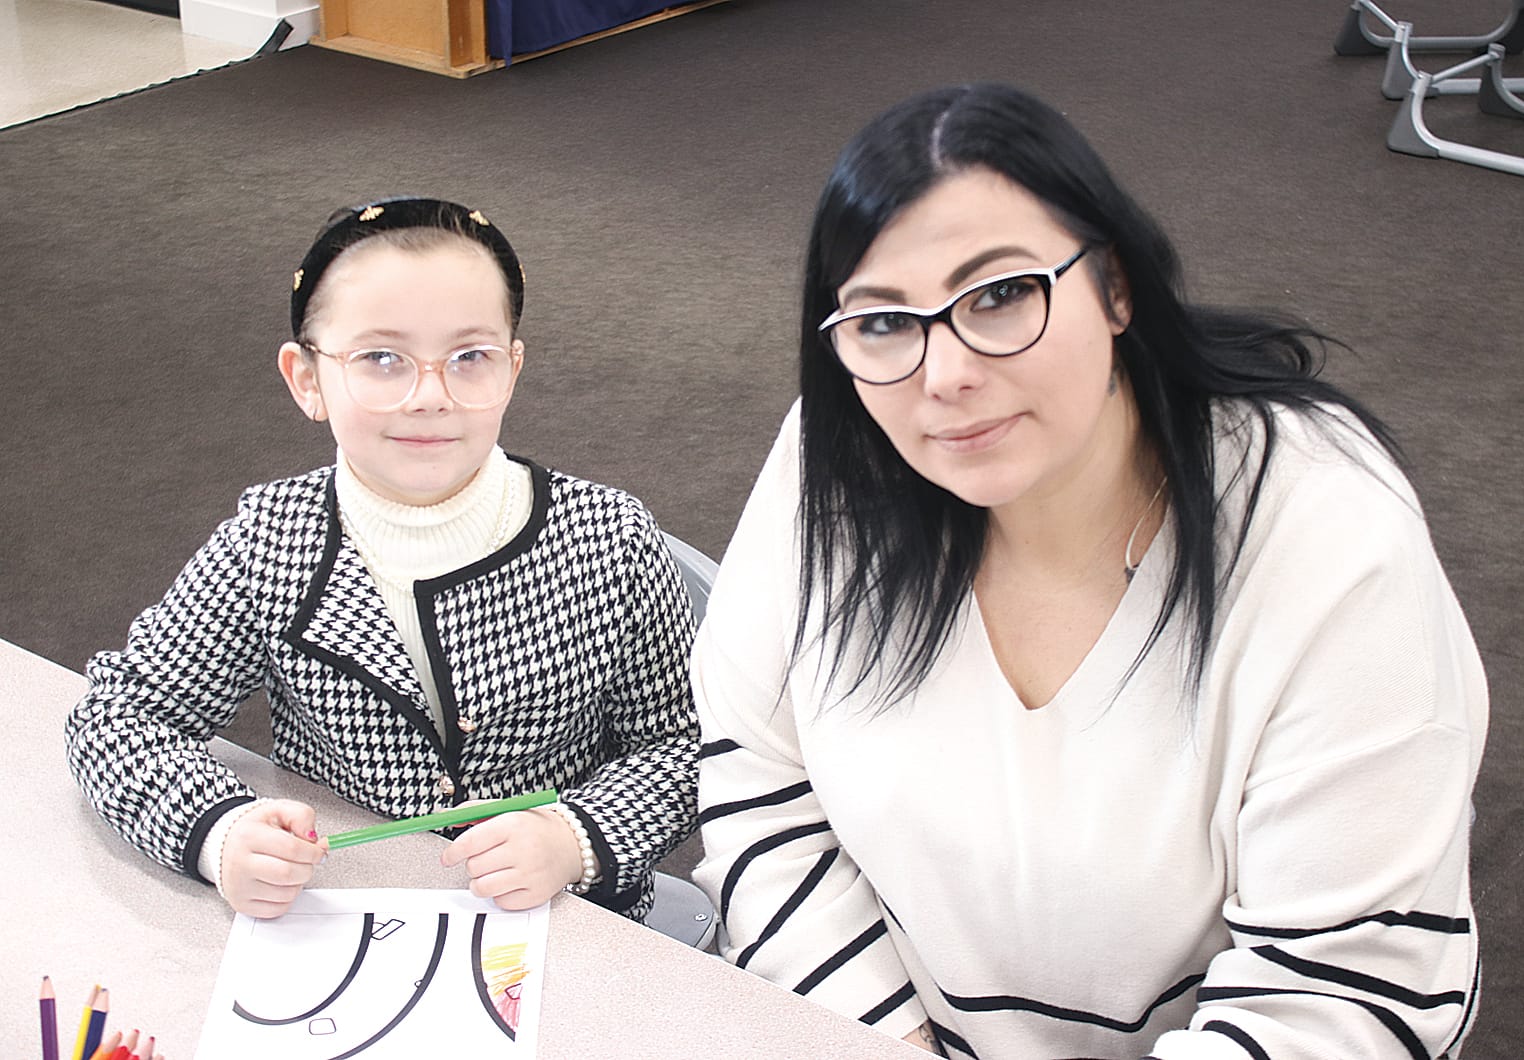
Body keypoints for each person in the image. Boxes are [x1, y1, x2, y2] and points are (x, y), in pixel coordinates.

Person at [691, 84, 1487, 1059]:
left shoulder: (1325, 530)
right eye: (884, 321)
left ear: (1115, 286)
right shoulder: (839, 450)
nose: (942, 374)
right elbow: (757, 777)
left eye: (998, 295)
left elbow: (1341, 990)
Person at [66, 197, 698, 922]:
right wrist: (219, 832)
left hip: (569, 919)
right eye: (380, 359)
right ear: (307, 379)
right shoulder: (270, 541)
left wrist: (576, 838)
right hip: (349, 915)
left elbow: (684, 745)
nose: (429, 397)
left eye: (470, 358)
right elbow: (119, 716)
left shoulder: (608, 540)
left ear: (512, 368)